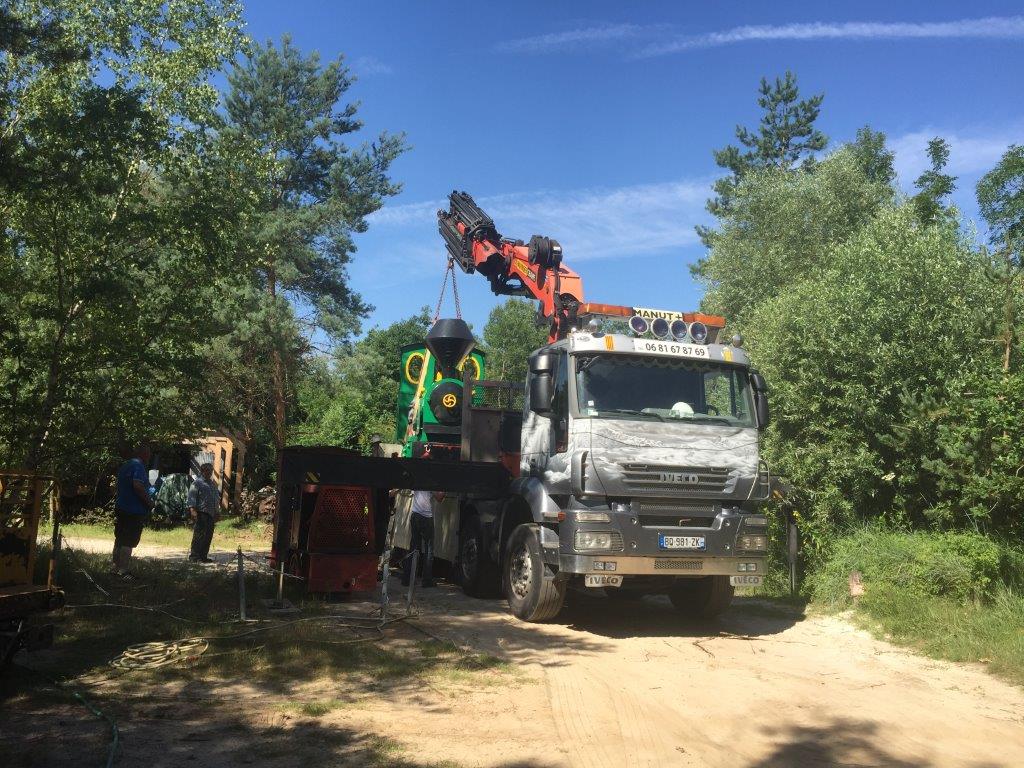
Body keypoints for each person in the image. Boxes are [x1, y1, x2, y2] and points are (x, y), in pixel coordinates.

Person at [113, 444, 155, 578]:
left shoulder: (126, 465)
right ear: (144, 454)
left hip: (122, 507)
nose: (150, 456)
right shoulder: (138, 466)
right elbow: (138, 486)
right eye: (148, 453)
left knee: (119, 539)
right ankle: (123, 571)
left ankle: (115, 568)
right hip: (133, 510)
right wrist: (149, 503)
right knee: (128, 541)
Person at [402, 488, 445, 588]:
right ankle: (426, 580)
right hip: (426, 517)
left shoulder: (419, 479)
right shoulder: (430, 482)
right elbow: (439, 498)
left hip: (415, 514)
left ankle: (407, 579)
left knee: (413, 548)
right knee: (429, 549)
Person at [187, 462, 219, 563]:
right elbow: (191, 498)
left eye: (211, 470)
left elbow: (215, 499)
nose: (209, 472)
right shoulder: (197, 483)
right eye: (207, 470)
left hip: (211, 514)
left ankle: (203, 556)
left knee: (208, 535)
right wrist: (192, 511)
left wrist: (217, 512)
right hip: (201, 513)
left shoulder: (212, 484)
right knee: (199, 535)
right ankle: (194, 557)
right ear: (202, 471)